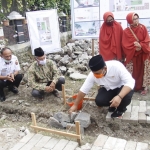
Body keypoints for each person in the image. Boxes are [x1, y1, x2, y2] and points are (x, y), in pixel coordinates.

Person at [69, 55, 135, 118]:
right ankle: (113, 105)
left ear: (105, 68)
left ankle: (120, 110)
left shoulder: (116, 66)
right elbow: (84, 89)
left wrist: (119, 97)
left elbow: (130, 82)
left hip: (122, 87)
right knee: (99, 101)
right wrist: (75, 105)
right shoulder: (92, 75)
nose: (95, 75)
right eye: (94, 73)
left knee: (126, 97)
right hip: (109, 89)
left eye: (97, 73)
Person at [122, 12, 150, 95]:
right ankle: (131, 87)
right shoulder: (126, 31)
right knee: (132, 71)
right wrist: (135, 47)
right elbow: (125, 45)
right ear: (129, 20)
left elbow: (147, 40)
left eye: (137, 18)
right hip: (133, 55)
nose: (136, 20)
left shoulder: (143, 28)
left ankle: (145, 87)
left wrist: (140, 45)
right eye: (134, 19)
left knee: (144, 71)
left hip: (143, 54)